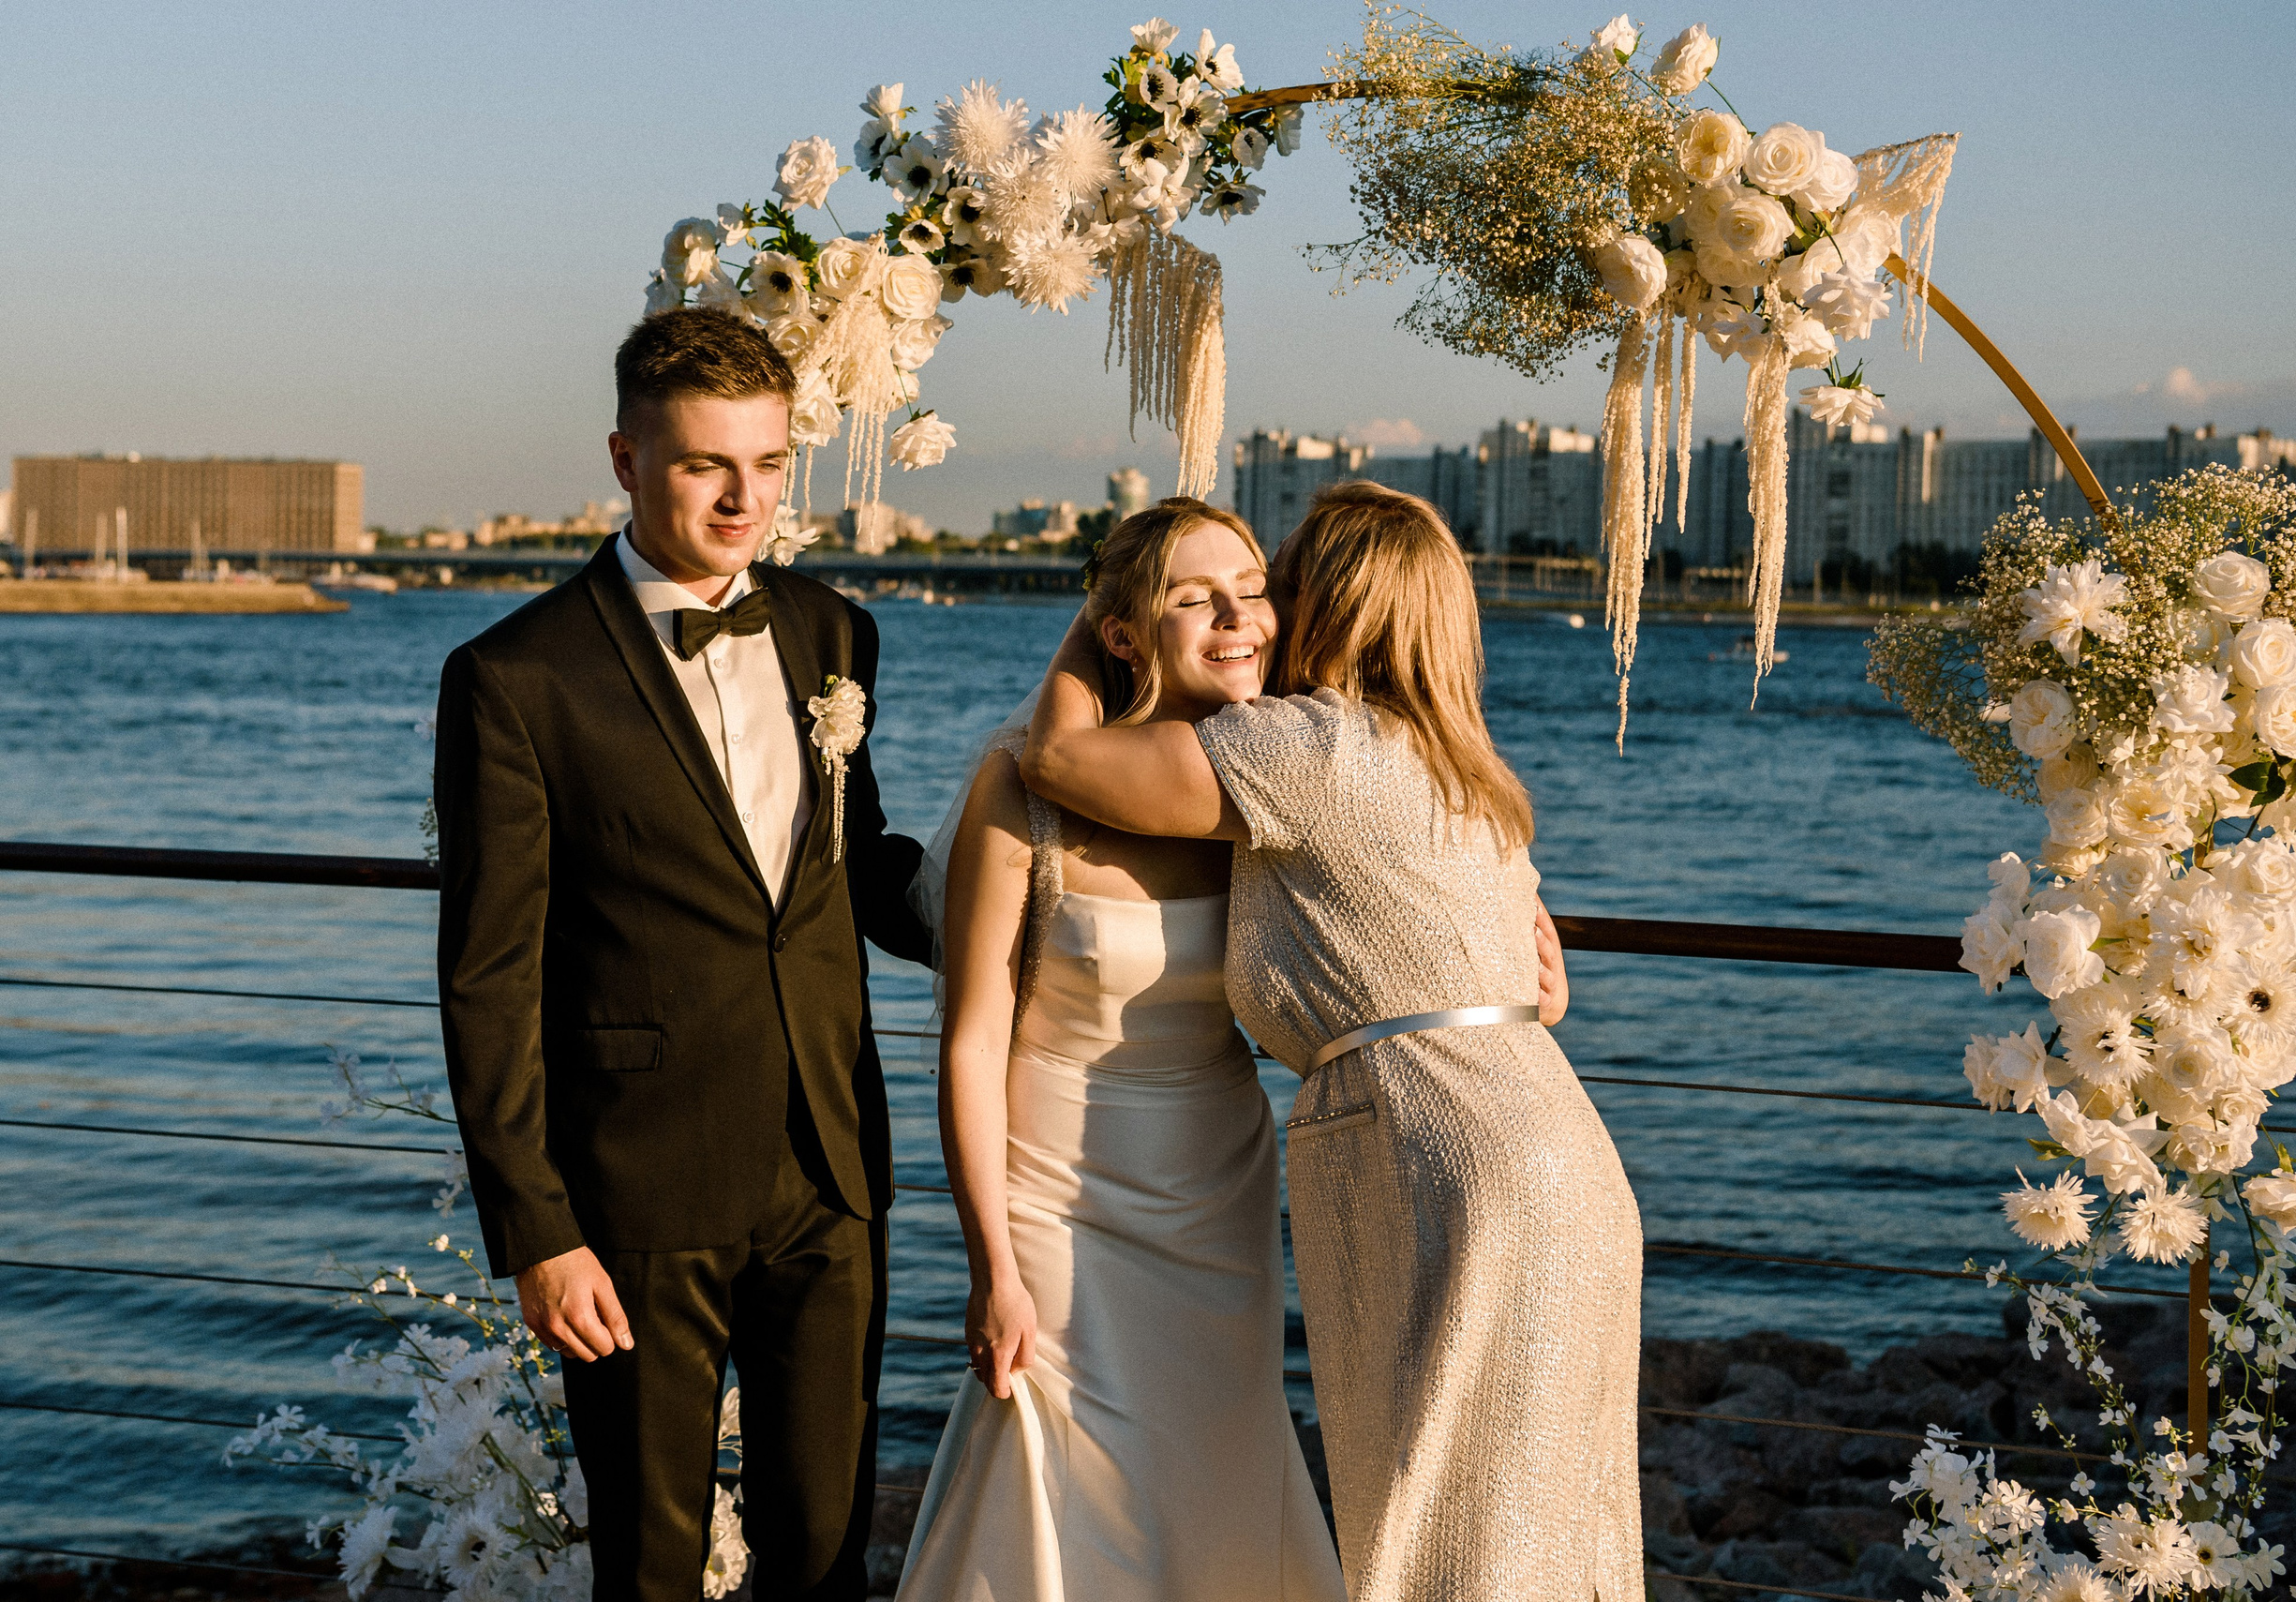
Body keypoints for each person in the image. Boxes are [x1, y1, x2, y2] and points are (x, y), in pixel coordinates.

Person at [1019, 482, 1640, 1602]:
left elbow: (1057, 762)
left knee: (1441, 1522)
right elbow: (1539, 988)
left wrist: (1108, 601)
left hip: (1444, 1161)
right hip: (1559, 1152)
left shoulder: (1302, 747)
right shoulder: (1466, 771)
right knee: (1546, 1528)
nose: (1259, 611)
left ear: (1331, 604)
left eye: (1278, 585)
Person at [434, 306, 930, 1600]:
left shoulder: (834, 635)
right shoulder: (514, 677)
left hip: (831, 1168)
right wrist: (538, 1228)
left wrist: (1031, 922)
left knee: (825, 1553)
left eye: (768, 466)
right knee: (648, 1567)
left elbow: (853, 857)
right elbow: (490, 974)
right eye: (709, 464)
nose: (742, 498)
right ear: (626, 460)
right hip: (635, 1195)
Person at [894, 500, 1346, 1601]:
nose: (1239, 617)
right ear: (1124, 632)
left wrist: (1523, 927)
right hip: (1054, 1182)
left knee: (1210, 1445)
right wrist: (989, 1262)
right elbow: (972, 1039)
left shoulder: (1271, 778)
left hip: (1214, 1170)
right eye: (1196, 597)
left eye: (1252, 588)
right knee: (1054, 1447)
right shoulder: (1026, 786)